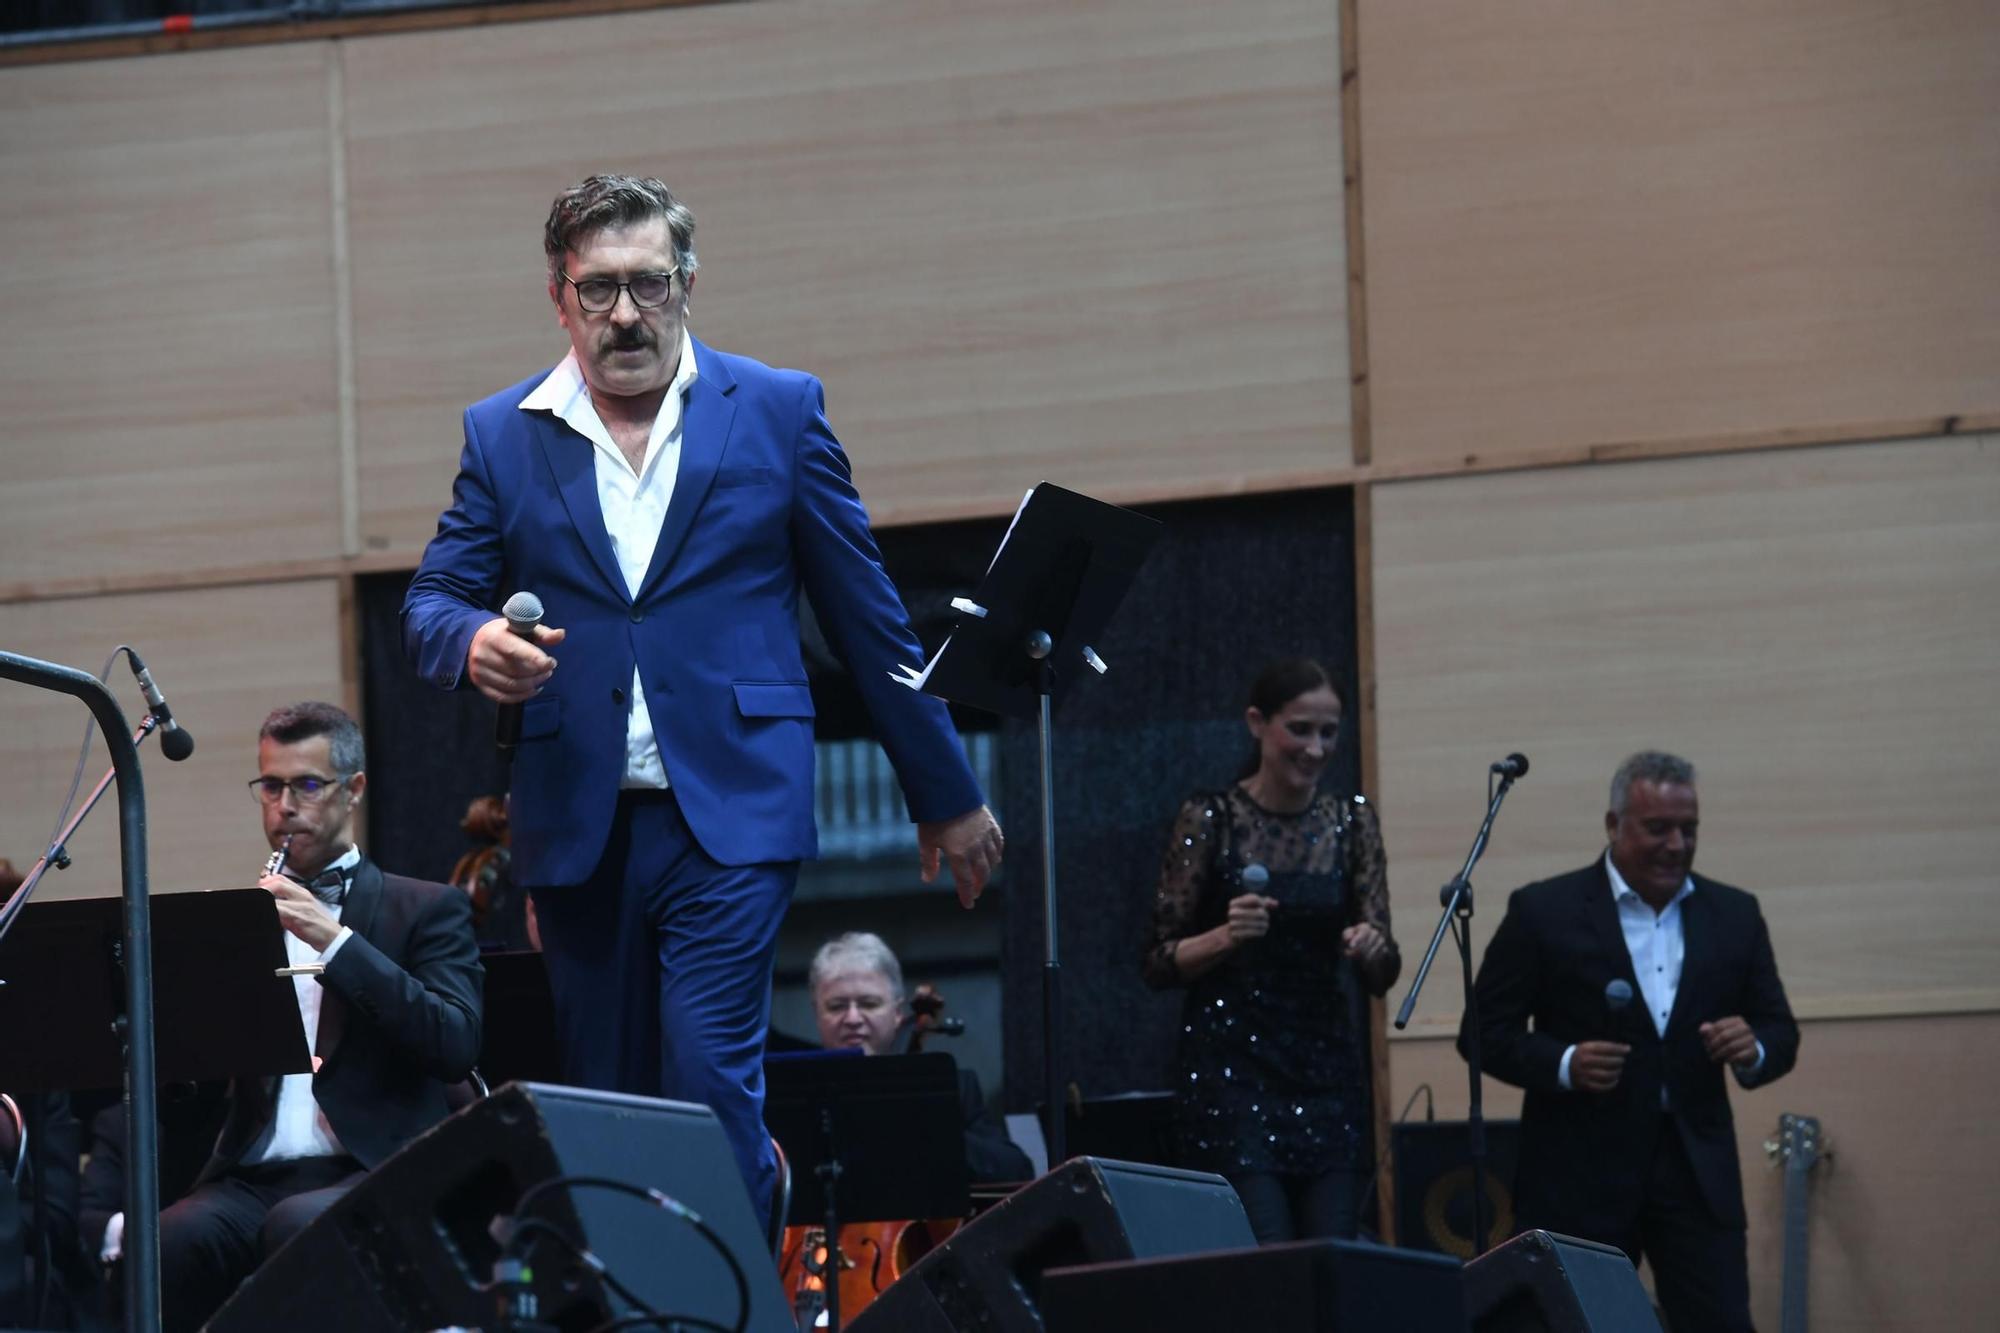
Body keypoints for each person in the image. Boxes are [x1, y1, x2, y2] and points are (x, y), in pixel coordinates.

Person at [401, 174, 1003, 1223]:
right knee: (609, 1102)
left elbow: (869, 620)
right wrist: (473, 639)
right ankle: (646, 1291)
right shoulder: (503, 433)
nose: (624, 314)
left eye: (648, 283)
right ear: (558, 297)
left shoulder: (777, 409)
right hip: (577, 815)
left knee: (709, 1081)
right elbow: (430, 603)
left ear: (687, 282)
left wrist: (943, 790)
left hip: (731, 808)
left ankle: (735, 1290)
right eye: (597, 289)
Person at [132, 702, 482, 1332]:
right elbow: (192, 1095)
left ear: (355, 790)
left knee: (298, 1224)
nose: (285, 806)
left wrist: (335, 941)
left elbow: (454, 1043)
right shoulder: (235, 922)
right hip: (252, 1174)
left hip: (374, 1166)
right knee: (168, 1239)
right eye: (271, 786)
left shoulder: (429, 909)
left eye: (308, 785)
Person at [1462, 750, 1799, 1333]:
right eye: (1658, 828)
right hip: (1578, 1174)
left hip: (1696, 1176)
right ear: (1613, 825)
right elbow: (1482, 1032)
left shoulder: (1734, 914)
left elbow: (1779, 1031)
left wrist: (1755, 1049)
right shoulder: (1544, 911)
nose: (1676, 845)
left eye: (1689, 829)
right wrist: (1565, 1062)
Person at [1142, 657, 1400, 1244]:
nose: (1316, 749)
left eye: (1329, 732)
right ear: (1258, 723)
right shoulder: (1213, 817)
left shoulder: (1351, 822)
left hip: (1324, 1072)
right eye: (1300, 730)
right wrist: (1225, 936)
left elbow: (1384, 973)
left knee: (1334, 1246)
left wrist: (1370, 945)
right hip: (1233, 1074)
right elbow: (1156, 961)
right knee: (1266, 1245)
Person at [809, 932, 1032, 1184]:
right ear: (817, 1015)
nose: (852, 1019)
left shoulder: (952, 1087)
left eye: (869, 1004)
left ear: (897, 1013)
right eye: (837, 1006)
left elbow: (1016, 1169)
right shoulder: (793, 1091)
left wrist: (933, 1130)